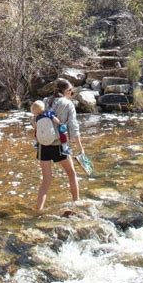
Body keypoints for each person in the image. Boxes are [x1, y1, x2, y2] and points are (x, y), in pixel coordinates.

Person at [33, 78, 84, 212]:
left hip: (42, 145)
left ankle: (38, 210)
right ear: (66, 91)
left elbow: (34, 120)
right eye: (71, 90)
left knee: (46, 180)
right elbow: (73, 127)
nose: (72, 93)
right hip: (59, 145)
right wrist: (80, 147)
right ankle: (76, 205)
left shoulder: (45, 101)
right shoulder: (68, 104)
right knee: (71, 174)